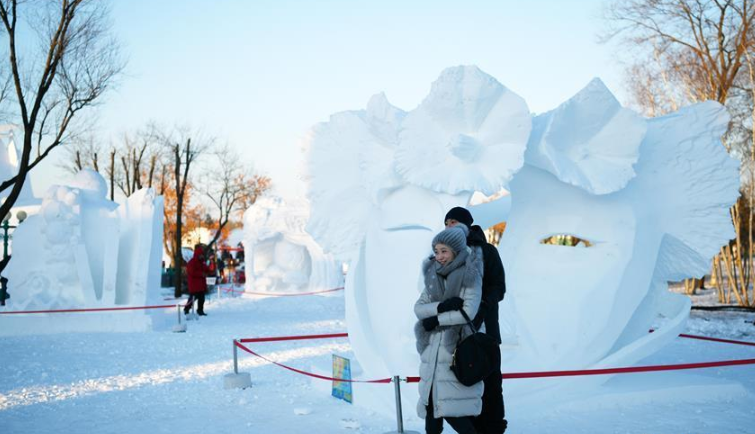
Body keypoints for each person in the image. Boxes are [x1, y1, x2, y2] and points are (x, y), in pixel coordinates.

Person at [414, 225, 484, 434]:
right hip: (433, 354)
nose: (439, 256)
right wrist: (442, 307)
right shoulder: (433, 275)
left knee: (454, 412)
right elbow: (418, 308)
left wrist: (435, 320)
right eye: (436, 251)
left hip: (456, 350)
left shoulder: (470, 274)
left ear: (456, 250)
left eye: (444, 251)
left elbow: (468, 312)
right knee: (431, 412)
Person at [445, 206, 507, 434]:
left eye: (454, 222)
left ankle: (493, 429)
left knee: (490, 385)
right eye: (446, 223)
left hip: (485, 332)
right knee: (462, 384)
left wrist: (481, 307)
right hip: (457, 333)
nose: (449, 226)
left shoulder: (487, 251)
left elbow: (498, 287)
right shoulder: (445, 253)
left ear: (467, 225)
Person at [185, 244, 210, 316]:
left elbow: (206, 269)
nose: (202, 256)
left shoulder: (202, 262)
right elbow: (192, 272)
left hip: (201, 284)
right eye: (201, 255)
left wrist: (208, 270)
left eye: (202, 255)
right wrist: (201, 274)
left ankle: (200, 310)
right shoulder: (191, 262)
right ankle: (186, 309)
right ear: (197, 255)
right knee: (192, 298)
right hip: (194, 285)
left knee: (202, 298)